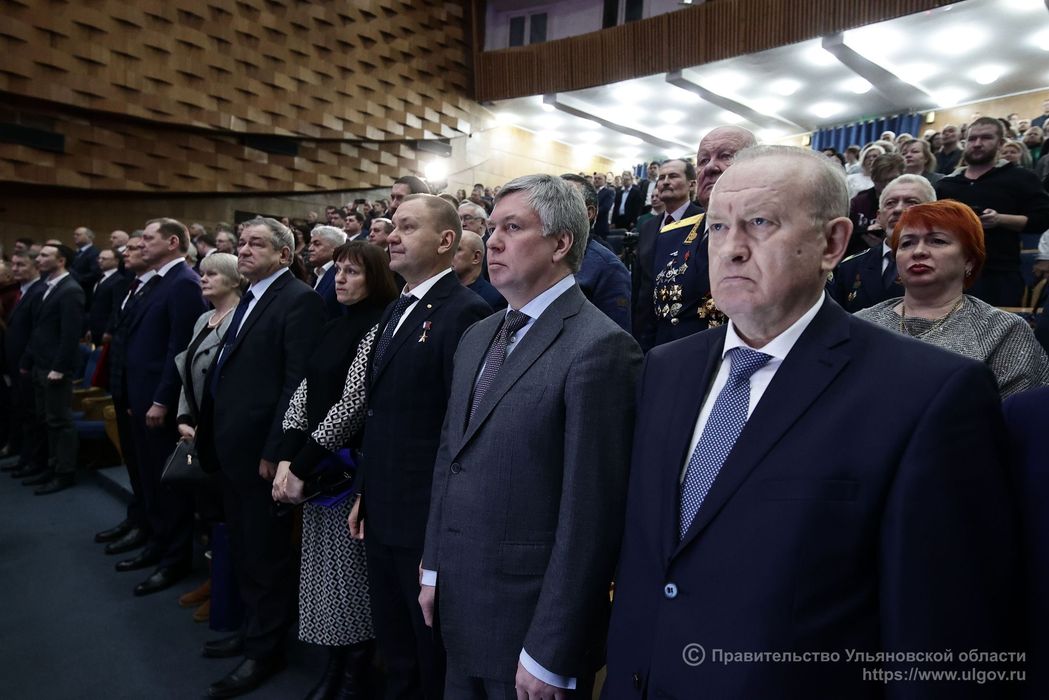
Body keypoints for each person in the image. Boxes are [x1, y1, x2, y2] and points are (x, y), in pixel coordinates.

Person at [604, 146, 1017, 698]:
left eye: (760, 223)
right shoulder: (664, 368)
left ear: (832, 244)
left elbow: (940, 628)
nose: (731, 248)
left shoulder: (929, 393)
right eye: (719, 227)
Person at [420, 174, 642, 699]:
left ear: (561, 243)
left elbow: (591, 517)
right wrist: (433, 565)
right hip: (459, 597)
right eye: (492, 228)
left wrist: (553, 648)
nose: (491, 241)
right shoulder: (478, 335)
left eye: (512, 228)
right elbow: (452, 455)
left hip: (531, 625)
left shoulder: (602, 348)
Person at [349, 194, 490, 700]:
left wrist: (441, 519)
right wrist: (364, 490)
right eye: (393, 226)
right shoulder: (398, 306)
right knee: (395, 640)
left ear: (446, 240)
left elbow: (462, 428)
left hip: (425, 513)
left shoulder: (468, 312)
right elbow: (379, 411)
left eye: (407, 227)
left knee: (429, 648)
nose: (392, 236)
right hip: (383, 502)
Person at [194, 217, 326, 698]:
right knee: (246, 549)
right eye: (242, 243)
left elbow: (298, 383)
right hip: (230, 447)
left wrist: (279, 449)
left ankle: (265, 649)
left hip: (261, 454)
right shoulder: (250, 296)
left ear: (284, 255)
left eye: (256, 244)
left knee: (266, 556)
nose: (243, 250)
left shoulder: (299, 300)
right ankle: (253, 631)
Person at [272, 241, 397, 700]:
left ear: (376, 278)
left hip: (347, 474)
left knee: (349, 584)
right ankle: (335, 666)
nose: (340, 279)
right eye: (338, 270)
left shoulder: (379, 326)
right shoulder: (334, 324)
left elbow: (353, 404)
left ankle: (352, 677)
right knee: (326, 580)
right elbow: (304, 392)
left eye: (353, 272)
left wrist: (301, 463)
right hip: (317, 470)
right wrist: (287, 456)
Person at [855, 200, 1049, 397]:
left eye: (937, 241)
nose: (918, 251)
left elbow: (1017, 412)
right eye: (907, 243)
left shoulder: (1004, 331)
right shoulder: (860, 324)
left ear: (969, 260)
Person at [118, 218, 208, 596]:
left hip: (161, 402)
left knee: (167, 485)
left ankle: (173, 558)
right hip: (140, 395)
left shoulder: (184, 282)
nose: (141, 243)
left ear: (172, 242)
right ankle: (156, 543)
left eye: (148, 238)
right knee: (149, 478)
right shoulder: (157, 281)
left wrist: (161, 399)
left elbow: (179, 349)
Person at [634, 127, 757, 352]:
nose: (710, 167)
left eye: (726, 156)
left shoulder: (769, 237)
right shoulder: (671, 235)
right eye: (703, 160)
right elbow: (652, 313)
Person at [172, 252, 243, 623]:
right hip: (197, 427)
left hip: (221, 430)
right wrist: (184, 416)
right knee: (208, 510)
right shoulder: (204, 317)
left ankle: (224, 587)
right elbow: (187, 368)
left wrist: (208, 424)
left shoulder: (240, 318)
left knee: (225, 512)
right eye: (203, 273)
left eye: (213, 273)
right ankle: (213, 578)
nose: (204, 279)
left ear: (234, 279)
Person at [935, 116, 1049, 306]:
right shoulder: (946, 184)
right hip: (949, 273)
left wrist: (1000, 219)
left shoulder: (1020, 177)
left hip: (999, 274)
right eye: (972, 139)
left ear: (1001, 143)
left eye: (986, 138)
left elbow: (1043, 217)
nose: (977, 143)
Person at [94, 233, 158, 554]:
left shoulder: (164, 287)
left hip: (144, 394)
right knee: (132, 463)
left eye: (137, 247)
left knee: (148, 468)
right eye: (128, 248)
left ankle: (150, 528)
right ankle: (137, 517)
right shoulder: (130, 285)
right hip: (123, 386)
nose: (127, 253)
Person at [19, 244, 84, 495]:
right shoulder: (49, 287)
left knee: (59, 420)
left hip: (55, 369)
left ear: (61, 260)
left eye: (45, 255)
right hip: (41, 364)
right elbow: (40, 329)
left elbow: (70, 335)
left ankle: (65, 472)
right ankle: (52, 465)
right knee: (46, 419)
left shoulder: (70, 290)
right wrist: (29, 361)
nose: (39, 259)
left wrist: (59, 368)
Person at [828, 174, 934, 313]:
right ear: (879, 217)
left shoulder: (945, 265)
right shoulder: (850, 267)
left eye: (911, 202)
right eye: (890, 203)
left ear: (933, 212)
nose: (898, 209)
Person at [561, 173, 632, 332]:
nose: (551, 207)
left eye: (564, 200)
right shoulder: (535, 253)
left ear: (589, 213)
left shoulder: (610, 269)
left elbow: (615, 339)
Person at [453, 230, 506, 310]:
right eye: (449, 249)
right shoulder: (442, 291)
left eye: (457, 249)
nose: (449, 254)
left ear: (476, 257)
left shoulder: (494, 298)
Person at [308, 225, 348, 318]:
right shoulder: (318, 273)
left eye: (317, 244)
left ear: (335, 248)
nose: (310, 248)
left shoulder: (340, 276)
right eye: (311, 244)